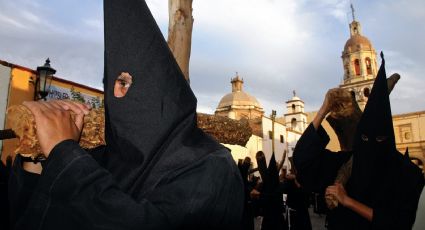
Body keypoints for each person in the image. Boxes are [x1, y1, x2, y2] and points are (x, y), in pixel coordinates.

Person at [5, 0, 244, 229]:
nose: (114, 97)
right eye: (110, 86)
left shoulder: (212, 165)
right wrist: (36, 155)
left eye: (124, 83)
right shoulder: (102, 155)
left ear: (160, 89)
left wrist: (65, 152)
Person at [293, 53, 424, 229]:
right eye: (364, 138)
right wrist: (324, 109)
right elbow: (303, 160)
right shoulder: (346, 162)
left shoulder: (407, 173)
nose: (370, 144)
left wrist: (348, 201)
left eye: (378, 139)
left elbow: (400, 223)